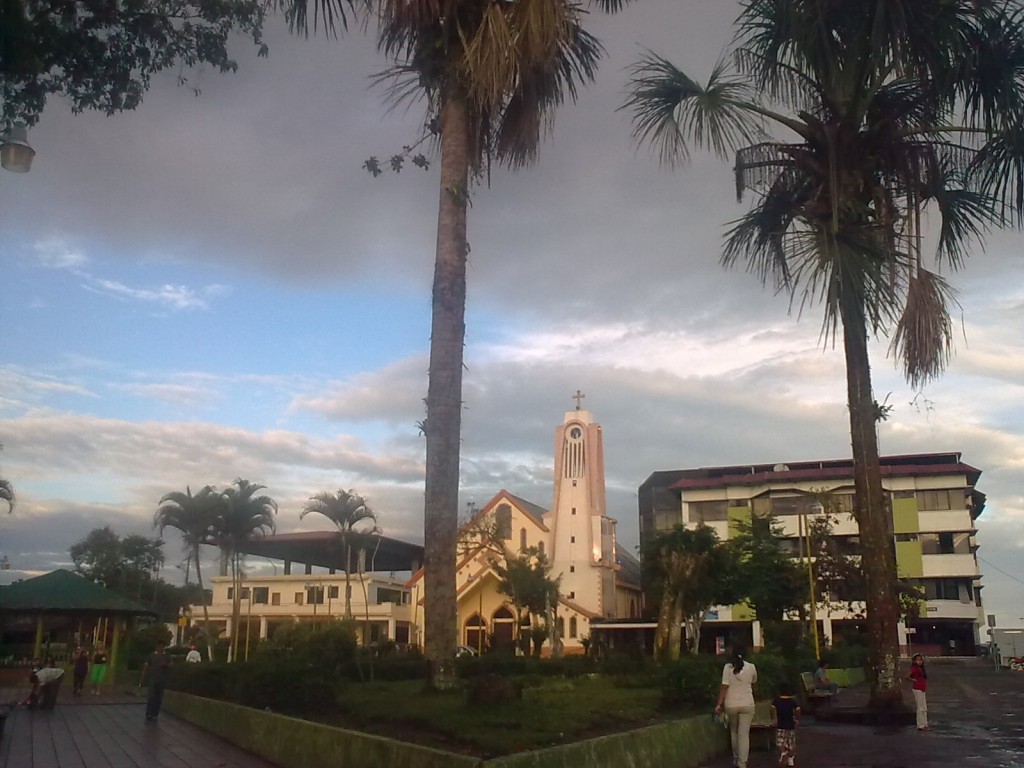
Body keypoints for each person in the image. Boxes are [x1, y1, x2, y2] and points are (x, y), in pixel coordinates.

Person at [715, 647, 758, 768]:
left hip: (731, 704)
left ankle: (736, 757)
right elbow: (754, 684)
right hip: (748, 704)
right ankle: (742, 762)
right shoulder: (751, 667)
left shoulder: (728, 667)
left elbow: (724, 687)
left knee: (734, 732)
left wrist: (719, 704)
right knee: (744, 734)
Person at [140, 641, 172, 722]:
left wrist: (166, 665)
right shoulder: (151, 655)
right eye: (159, 646)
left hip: (162, 679)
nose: (160, 648)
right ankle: (149, 713)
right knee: (151, 696)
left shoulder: (166, 656)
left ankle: (155, 714)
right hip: (152, 678)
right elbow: (146, 665)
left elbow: (171, 664)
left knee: (159, 697)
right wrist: (143, 676)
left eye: (162, 646)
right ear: (156, 647)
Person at [771, 681, 801, 767]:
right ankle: (791, 759)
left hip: (780, 725)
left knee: (781, 742)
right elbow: (798, 709)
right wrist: (797, 719)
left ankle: (783, 753)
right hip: (790, 725)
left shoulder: (776, 701)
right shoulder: (792, 701)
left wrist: (774, 719)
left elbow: (772, 709)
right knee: (791, 743)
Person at [908, 653, 929, 731]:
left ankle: (925, 723)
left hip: (922, 689)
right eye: (917, 660)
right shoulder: (914, 669)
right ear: (914, 661)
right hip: (917, 689)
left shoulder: (921, 669)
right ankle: (920, 724)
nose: (919, 662)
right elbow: (906, 676)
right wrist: (913, 680)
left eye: (920, 660)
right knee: (920, 707)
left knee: (924, 707)